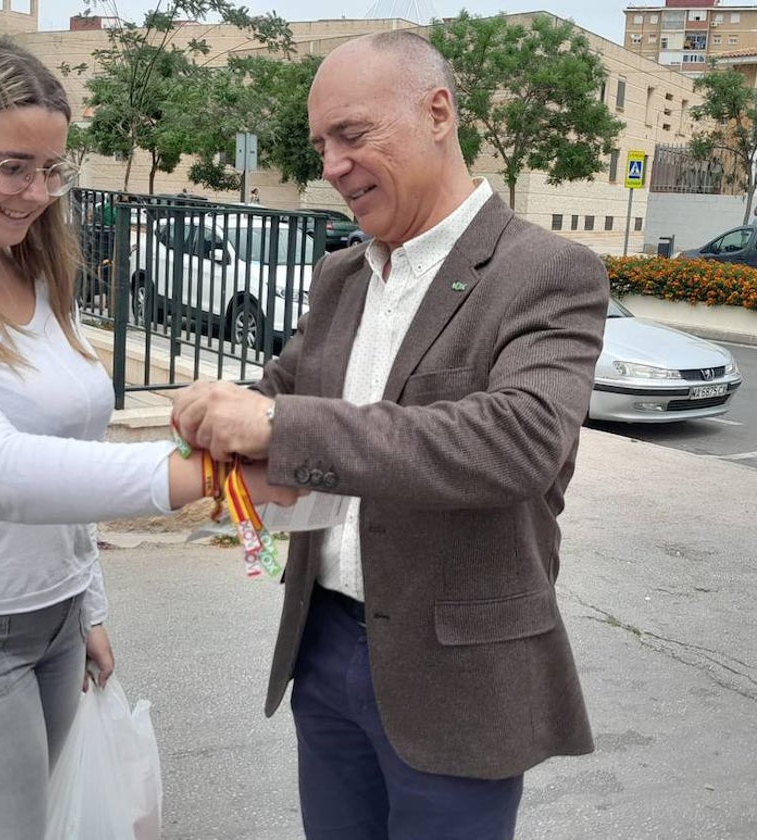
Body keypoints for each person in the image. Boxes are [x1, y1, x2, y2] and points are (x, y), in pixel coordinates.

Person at [0, 37, 295, 838]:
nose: (36, 192)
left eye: (53, 169)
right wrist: (209, 475)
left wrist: (87, 604)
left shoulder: (32, 265)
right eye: (11, 166)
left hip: (50, 617)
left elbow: (63, 436)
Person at [171, 31, 608, 840]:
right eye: (320, 144)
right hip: (326, 644)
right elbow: (285, 390)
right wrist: (218, 412)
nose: (332, 165)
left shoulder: (546, 271)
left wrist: (275, 421)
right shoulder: (344, 274)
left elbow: (517, 441)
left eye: (353, 134)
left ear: (437, 113)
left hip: (456, 677)